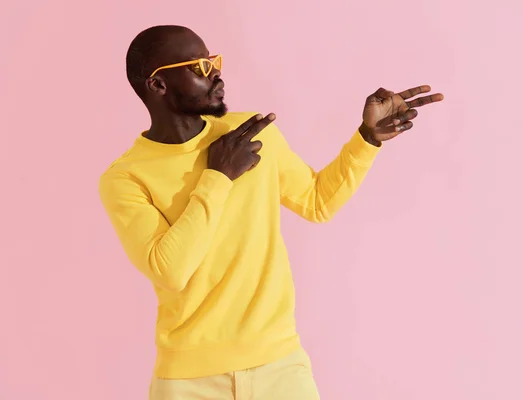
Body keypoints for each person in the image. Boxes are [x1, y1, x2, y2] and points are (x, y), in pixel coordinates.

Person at [98, 24, 443, 400]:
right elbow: (171, 270)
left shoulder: (250, 134)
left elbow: (317, 202)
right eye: (199, 67)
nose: (216, 73)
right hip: (187, 382)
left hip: (279, 367)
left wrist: (367, 139)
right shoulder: (125, 177)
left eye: (214, 61)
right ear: (158, 85)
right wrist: (217, 175)